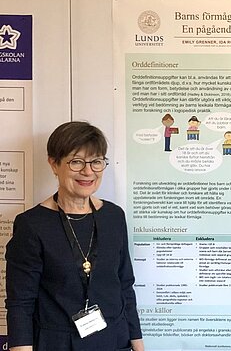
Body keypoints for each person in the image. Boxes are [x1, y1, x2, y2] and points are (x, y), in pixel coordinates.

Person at [5, 121, 144, 351]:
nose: (88, 172)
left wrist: (138, 346)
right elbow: (20, 304)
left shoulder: (113, 216)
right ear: (54, 163)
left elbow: (125, 287)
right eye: (76, 161)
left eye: (96, 162)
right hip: (58, 344)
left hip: (114, 341)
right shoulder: (32, 225)